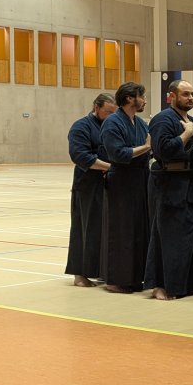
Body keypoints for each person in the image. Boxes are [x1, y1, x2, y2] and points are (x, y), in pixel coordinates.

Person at [145, 80, 193, 300]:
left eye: (192, 94)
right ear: (171, 96)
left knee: (192, 237)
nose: (190, 98)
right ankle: (162, 285)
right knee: (169, 238)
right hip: (170, 185)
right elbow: (162, 150)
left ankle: (189, 284)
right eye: (185, 94)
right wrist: (186, 134)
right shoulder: (162, 119)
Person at [100, 82, 151, 294]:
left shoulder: (139, 123)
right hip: (121, 181)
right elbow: (118, 154)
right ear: (130, 98)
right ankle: (115, 279)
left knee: (138, 230)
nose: (145, 101)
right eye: (142, 96)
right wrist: (146, 147)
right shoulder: (112, 122)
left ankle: (134, 277)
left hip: (140, 180)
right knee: (122, 231)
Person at [65, 93, 116, 287]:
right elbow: (80, 156)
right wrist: (111, 167)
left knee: (106, 230)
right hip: (87, 185)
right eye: (108, 112)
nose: (111, 116)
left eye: (114, 113)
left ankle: (101, 270)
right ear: (96, 107)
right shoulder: (81, 126)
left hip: (110, 183)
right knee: (85, 229)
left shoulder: (111, 126)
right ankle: (80, 274)